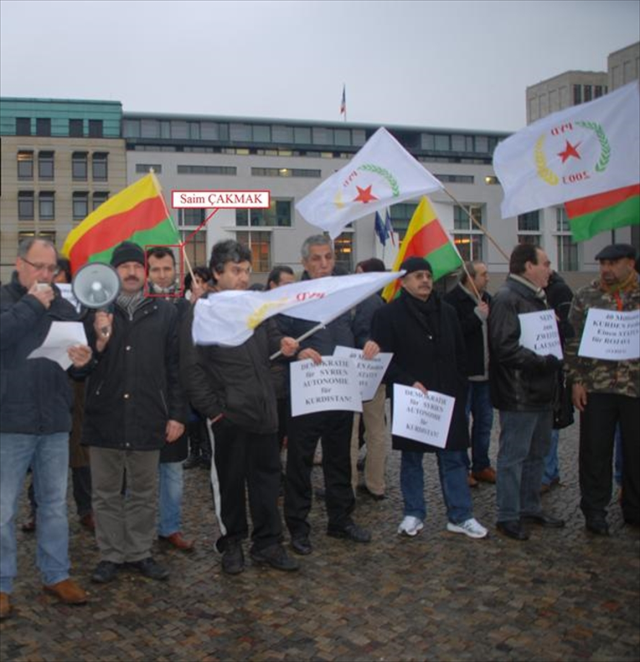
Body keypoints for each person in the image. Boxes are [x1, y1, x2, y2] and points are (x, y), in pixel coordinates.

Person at [181, 240, 300, 575]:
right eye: (236, 270)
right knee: (229, 483)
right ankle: (231, 542)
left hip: (263, 410)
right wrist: (215, 411)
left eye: (247, 270)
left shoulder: (254, 305)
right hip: (228, 416)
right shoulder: (201, 310)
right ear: (217, 273)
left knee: (266, 480)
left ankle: (268, 543)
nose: (244, 277)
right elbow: (191, 368)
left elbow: (272, 341)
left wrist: (283, 346)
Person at [1, 238, 95, 620]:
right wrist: (30, 304)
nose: (45, 275)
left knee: (54, 506)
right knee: (3, 509)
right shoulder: (8, 301)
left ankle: (56, 574)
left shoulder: (64, 305)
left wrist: (82, 361)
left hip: (55, 421)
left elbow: (77, 369)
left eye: (50, 268)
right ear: (19, 264)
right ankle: (2, 582)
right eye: (38, 267)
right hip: (10, 421)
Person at [83, 241, 186, 584]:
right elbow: (78, 369)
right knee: (106, 493)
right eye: (123, 267)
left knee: (144, 492)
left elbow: (175, 368)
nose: (130, 272)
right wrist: (98, 342)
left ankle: (140, 552)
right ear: (113, 272)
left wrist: (176, 414)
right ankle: (111, 554)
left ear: (145, 272)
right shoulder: (92, 312)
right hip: (106, 416)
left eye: (136, 267)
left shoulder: (166, 313)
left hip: (148, 416)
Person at [371, 257, 487, 540]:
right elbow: (384, 360)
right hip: (412, 399)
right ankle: (413, 513)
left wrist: (458, 387)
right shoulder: (388, 315)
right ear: (404, 281)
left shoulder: (446, 312)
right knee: (412, 459)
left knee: (454, 459)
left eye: (427, 275)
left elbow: (460, 352)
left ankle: (460, 516)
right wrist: (408, 381)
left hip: (447, 397)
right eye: (417, 275)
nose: (424, 280)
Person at [279, 235, 374, 556]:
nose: (323, 264)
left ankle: (341, 519)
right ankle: (298, 526)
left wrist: (367, 343)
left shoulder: (344, 293)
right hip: (307, 391)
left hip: (341, 387)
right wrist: (295, 350)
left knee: (338, 460)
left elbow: (357, 329)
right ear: (304, 263)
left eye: (328, 258)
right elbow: (277, 334)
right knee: (300, 462)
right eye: (316, 259)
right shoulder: (293, 296)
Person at [489, 243, 565, 541]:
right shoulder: (508, 298)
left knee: (537, 454)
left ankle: (530, 506)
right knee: (513, 456)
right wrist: (543, 361)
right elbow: (504, 348)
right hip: (519, 393)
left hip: (540, 391)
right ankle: (507, 515)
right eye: (545, 263)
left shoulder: (536, 298)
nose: (549, 269)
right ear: (527, 267)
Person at [565, 243, 639, 535]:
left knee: (636, 451)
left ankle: (634, 508)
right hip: (597, 387)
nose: (606, 269)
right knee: (594, 451)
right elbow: (573, 343)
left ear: (630, 264)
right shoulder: (586, 296)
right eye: (602, 264)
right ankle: (594, 511)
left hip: (634, 387)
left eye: (613, 263)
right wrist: (577, 381)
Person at [146, 247, 194, 552]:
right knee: (138, 477)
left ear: (175, 270)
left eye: (167, 269)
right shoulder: (137, 304)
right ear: (147, 272)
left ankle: (170, 527)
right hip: (144, 402)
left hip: (175, 400)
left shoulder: (184, 306)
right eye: (156, 269)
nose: (162, 275)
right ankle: (134, 534)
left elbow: (187, 361)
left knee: (172, 472)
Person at [444, 260, 495, 487]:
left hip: (486, 375)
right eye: (483, 274)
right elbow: (452, 336)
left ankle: (481, 465)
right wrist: (475, 318)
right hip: (465, 376)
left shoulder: (489, 299)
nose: (487, 278)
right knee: (462, 424)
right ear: (469, 278)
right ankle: (463, 469)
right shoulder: (451, 301)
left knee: (484, 423)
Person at [351, 258, 388, 501]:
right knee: (377, 430)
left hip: (357, 370)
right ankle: (376, 484)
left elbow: (360, 335)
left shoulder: (363, 301)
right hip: (378, 372)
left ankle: (349, 484)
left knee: (352, 431)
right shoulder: (383, 301)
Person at [540, 270, 574, 494]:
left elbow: (570, 329)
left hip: (554, 365)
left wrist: (557, 322)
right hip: (540, 366)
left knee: (551, 423)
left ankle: (547, 473)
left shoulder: (560, 291)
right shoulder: (536, 293)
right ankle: (549, 472)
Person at [182, 266, 213, 470]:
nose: (199, 285)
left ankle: (208, 453)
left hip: (208, 370)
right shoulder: (181, 305)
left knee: (206, 417)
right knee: (192, 418)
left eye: (203, 281)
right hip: (189, 368)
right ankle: (194, 452)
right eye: (196, 281)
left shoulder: (213, 304)